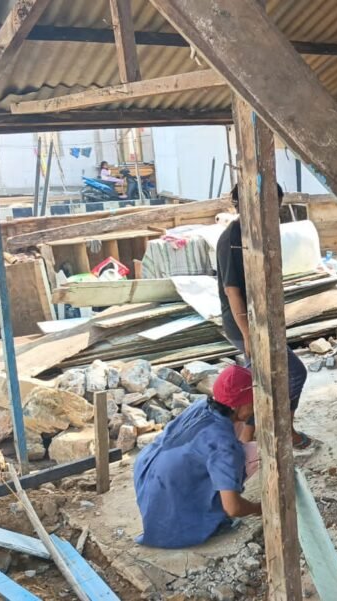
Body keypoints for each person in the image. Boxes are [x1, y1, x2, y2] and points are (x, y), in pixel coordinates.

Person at [217, 184, 312, 449]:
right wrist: (248, 334)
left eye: (276, 205)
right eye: (268, 205)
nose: (273, 211)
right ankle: (260, 439)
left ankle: (259, 437)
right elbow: (232, 291)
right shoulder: (232, 238)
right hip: (244, 325)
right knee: (287, 376)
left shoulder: (259, 232)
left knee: (261, 383)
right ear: (245, 205)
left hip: (259, 323)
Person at [133, 365, 262, 549]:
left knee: (235, 437)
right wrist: (257, 508)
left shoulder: (202, 405)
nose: (255, 407)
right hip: (171, 523)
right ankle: (209, 520)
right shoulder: (223, 444)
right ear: (236, 404)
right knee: (257, 453)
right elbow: (233, 507)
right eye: (252, 402)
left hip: (149, 477)